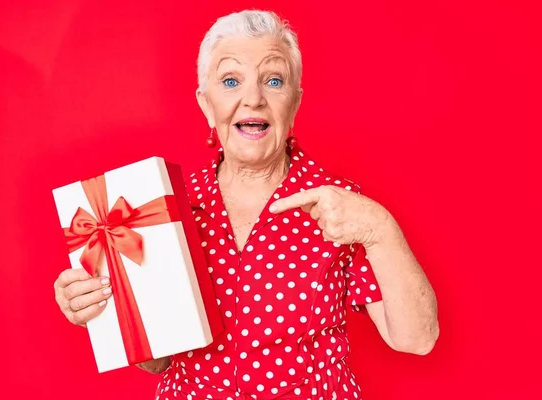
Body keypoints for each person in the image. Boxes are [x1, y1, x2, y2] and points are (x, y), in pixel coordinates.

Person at [53, 9, 439, 400]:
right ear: (206, 104)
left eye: (273, 80)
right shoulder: (163, 210)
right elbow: (159, 361)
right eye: (231, 81)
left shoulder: (341, 206)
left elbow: (416, 339)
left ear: (295, 102)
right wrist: (101, 306)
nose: (253, 98)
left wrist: (381, 229)